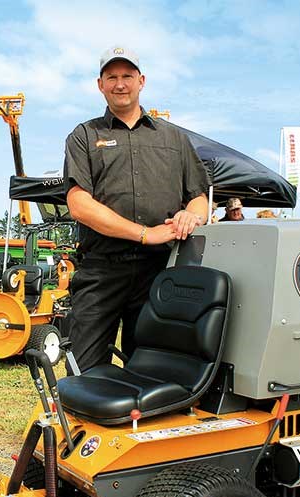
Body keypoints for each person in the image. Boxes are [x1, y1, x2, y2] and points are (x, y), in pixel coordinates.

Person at [63, 46, 210, 373]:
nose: (120, 84)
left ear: (141, 81)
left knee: (152, 367)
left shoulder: (174, 139)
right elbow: (79, 205)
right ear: (99, 85)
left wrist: (193, 215)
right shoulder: (85, 136)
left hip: (160, 270)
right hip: (102, 270)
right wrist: (145, 234)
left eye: (127, 76)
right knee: (83, 370)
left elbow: (199, 197)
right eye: (111, 77)